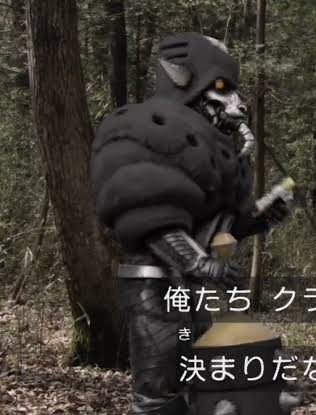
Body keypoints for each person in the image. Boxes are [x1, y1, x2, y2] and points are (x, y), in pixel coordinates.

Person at [90, 32, 289, 414]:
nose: (236, 102)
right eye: (221, 88)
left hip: (189, 290)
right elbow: (152, 214)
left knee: (195, 378)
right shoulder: (147, 131)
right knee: (160, 390)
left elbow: (213, 225)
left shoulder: (210, 151)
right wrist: (198, 262)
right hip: (155, 287)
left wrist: (258, 219)